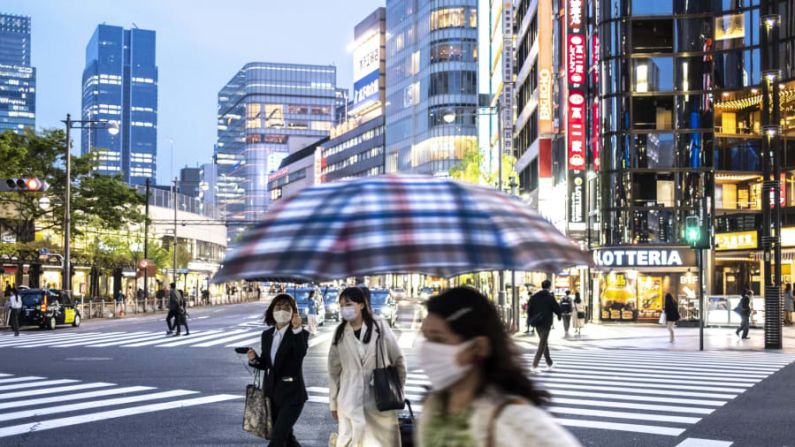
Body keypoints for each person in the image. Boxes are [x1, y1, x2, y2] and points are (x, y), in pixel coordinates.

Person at [417, 287, 581, 447]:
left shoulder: (515, 420)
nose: (427, 349)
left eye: (438, 339)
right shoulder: (433, 407)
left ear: (479, 347)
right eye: (426, 337)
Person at [328, 287, 405, 446]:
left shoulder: (380, 326)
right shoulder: (340, 332)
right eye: (342, 305)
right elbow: (333, 371)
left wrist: (395, 389)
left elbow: (398, 360)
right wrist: (333, 402)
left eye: (348, 304)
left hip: (379, 400)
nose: (344, 309)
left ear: (362, 305)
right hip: (349, 400)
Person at [247, 294, 309, 447]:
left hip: (292, 396)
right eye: (278, 307)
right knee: (286, 437)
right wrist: (254, 360)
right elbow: (267, 364)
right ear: (272, 311)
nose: (282, 311)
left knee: (277, 440)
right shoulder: (267, 335)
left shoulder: (299, 334)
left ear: (294, 312)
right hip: (272, 395)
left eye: (287, 308)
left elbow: (301, 353)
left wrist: (297, 329)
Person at [527, 280, 561, 371]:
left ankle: (549, 362)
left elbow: (529, 309)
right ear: (549, 287)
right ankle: (534, 365)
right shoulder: (549, 297)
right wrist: (559, 315)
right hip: (546, 323)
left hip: (537, 322)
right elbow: (556, 307)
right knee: (542, 344)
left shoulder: (534, 296)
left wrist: (530, 319)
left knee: (544, 342)